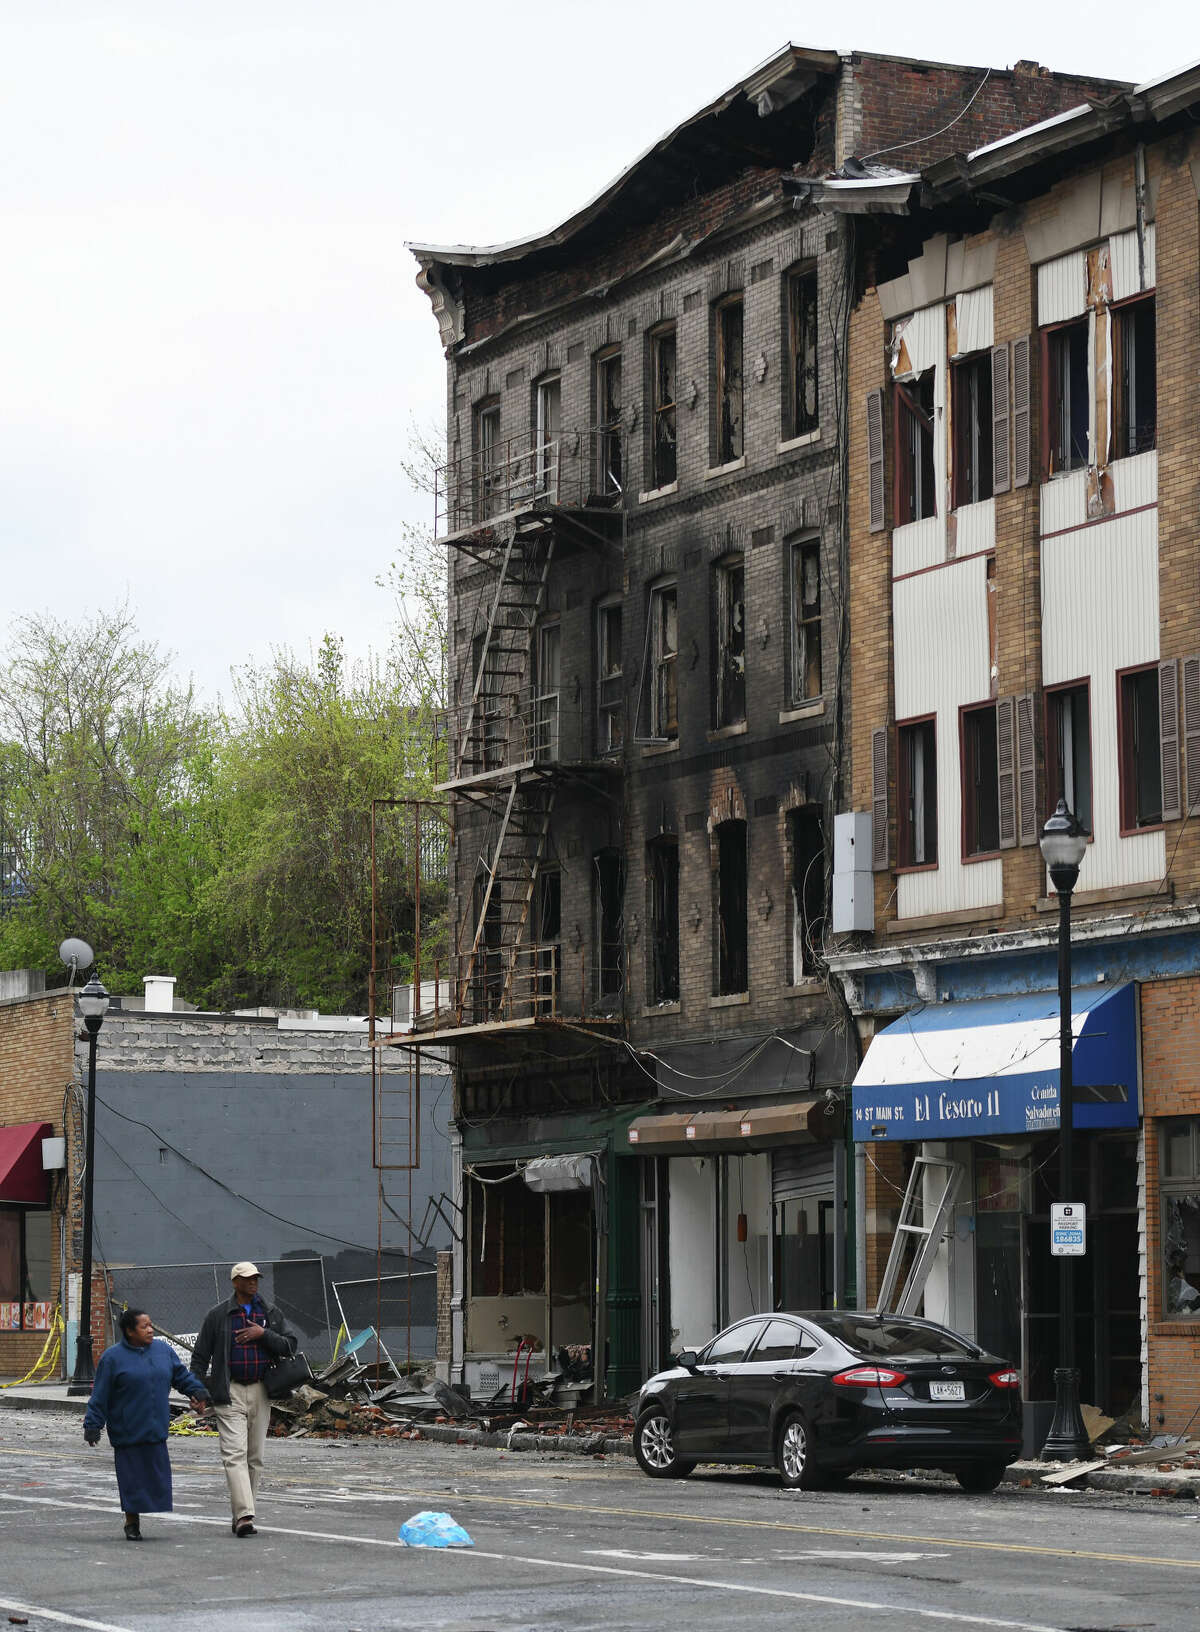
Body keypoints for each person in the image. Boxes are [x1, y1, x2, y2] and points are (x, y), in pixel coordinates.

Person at [83, 1307, 210, 1540]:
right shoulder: (112, 1358)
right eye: (144, 1326)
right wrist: (93, 1425)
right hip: (127, 1430)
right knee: (131, 1478)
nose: (151, 1330)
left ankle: (144, 1510)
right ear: (130, 1331)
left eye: (151, 1325)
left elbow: (180, 1376)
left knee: (155, 1477)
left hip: (155, 1427)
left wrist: (197, 1392)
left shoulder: (163, 1351)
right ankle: (132, 1521)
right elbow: (100, 1395)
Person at [190, 1261, 296, 1538]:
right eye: (247, 1278)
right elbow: (200, 1356)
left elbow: (290, 1345)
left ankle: (241, 1513)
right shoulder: (218, 1316)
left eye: (256, 1278)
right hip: (230, 1390)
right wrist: (197, 1391)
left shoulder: (269, 1313)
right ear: (235, 1282)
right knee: (234, 1453)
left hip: (262, 1389)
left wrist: (264, 1335)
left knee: (255, 1457)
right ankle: (245, 1515)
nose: (253, 1282)